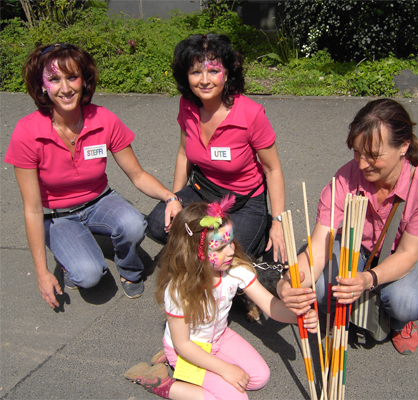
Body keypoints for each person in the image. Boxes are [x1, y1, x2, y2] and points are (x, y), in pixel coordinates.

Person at [4, 43, 182, 308]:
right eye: (54, 79)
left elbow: (137, 174)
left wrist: (171, 197)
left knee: (134, 224)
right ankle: (71, 253)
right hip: (57, 215)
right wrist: (42, 273)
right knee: (88, 276)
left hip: (100, 201)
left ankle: (129, 270)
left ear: (84, 80)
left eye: (72, 77)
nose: (65, 88)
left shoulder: (103, 119)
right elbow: (31, 210)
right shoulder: (27, 132)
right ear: (42, 86)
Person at [277, 99, 418, 355]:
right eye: (357, 152)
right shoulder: (345, 178)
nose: (362, 163)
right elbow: (319, 247)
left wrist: (366, 279)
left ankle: (402, 322)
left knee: (405, 302)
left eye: (374, 156)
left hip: (409, 251)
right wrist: (287, 284)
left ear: (403, 146)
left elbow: (408, 253)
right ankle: (346, 307)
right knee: (320, 290)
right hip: (360, 248)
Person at [124, 197, 317, 399]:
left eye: (230, 241)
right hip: (186, 348)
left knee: (260, 377)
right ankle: (163, 384)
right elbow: (184, 344)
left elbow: (271, 306)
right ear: (194, 254)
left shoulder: (236, 269)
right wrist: (225, 369)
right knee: (236, 397)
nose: (231, 251)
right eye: (219, 248)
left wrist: (298, 316)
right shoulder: (180, 290)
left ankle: (184, 368)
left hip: (218, 337)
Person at [146, 34, 286, 262]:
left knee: (225, 258)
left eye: (213, 71)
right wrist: (174, 199)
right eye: (195, 72)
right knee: (157, 225)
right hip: (203, 190)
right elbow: (184, 153)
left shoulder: (251, 114)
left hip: (244, 201)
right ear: (186, 76)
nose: (204, 80)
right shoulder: (187, 105)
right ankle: (202, 242)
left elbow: (273, 170)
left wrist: (279, 221)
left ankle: (261, 230)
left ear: (227, 73)